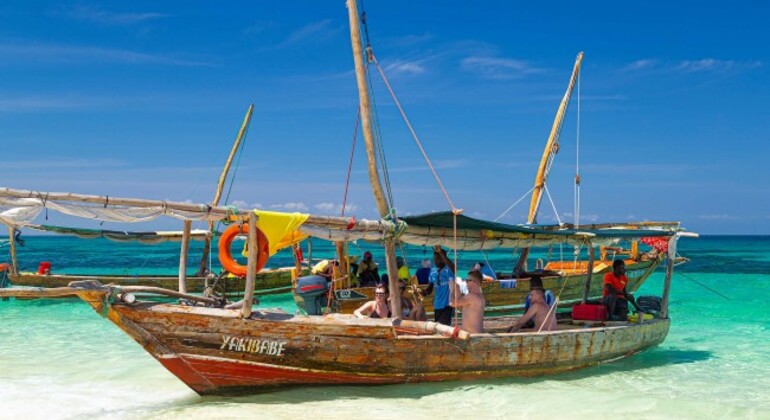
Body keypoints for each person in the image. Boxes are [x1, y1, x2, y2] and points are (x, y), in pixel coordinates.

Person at [422, 247, 455, 326]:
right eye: (435, 259)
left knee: (443, 327)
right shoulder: (433, 270)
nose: (436, 261)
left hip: (447, 305)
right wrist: (425, 292)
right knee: (439, 327)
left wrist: (441, 252)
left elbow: (453, 267)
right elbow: (430, 287)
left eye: (438, 259)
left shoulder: (448, 270)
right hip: (437, 305)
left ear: (444, 258)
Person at [450, 270, 486, 334]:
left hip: (472, 337)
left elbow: (452, 303)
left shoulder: (472, 297)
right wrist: (457, 289)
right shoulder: (480, 297)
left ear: (475, 282)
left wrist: (452, 290)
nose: (466, 282)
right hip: (476, 335)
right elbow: (464, 308)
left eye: (467, 280)